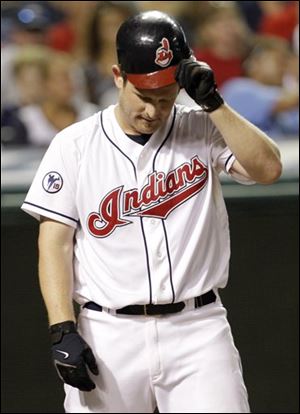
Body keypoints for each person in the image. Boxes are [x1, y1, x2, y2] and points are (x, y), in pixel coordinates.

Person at [21, 10, 282, 413]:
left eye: (165, 98)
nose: (154, 111)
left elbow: (268, 169)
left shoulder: (203, 126)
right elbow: (54, 243)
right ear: (118, 76)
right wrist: (61, 328)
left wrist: (215, 104)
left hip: (198, 328)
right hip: (107, 331)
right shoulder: (74, 144)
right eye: (144, 96)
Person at [221, 36, 299, 138]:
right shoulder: (238, 88)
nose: (284, 68)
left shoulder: (280, 91)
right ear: (254, 64)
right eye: (279, 61)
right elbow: (287, 102)